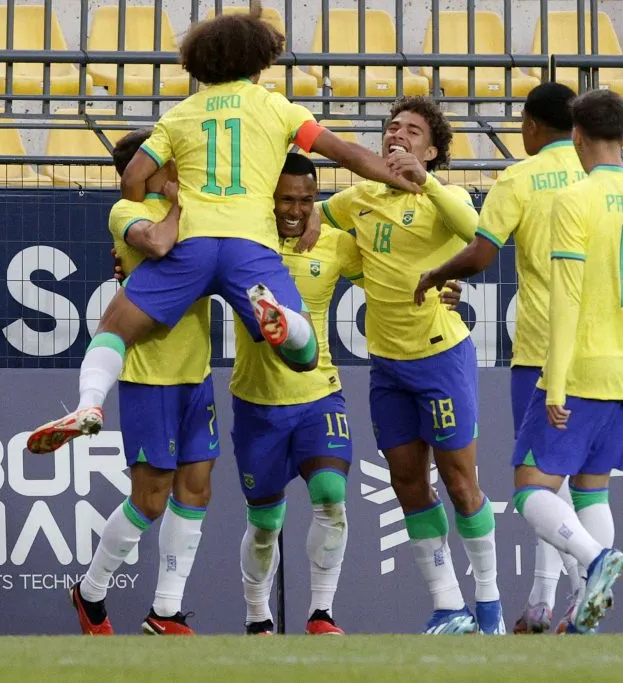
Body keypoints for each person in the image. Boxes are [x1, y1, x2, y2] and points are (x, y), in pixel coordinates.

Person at [26, 6, 420, 455]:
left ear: (201, 60)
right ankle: (281, 321)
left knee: (114, 327)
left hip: (190, 244)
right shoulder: (276, 107)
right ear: (258, 58)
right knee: (303, 353)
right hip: (248, 245)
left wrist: (146, 219)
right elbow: (344, 152)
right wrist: (398, 178)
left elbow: (132, 176)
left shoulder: (179, 115)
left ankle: (89, 404)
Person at [236, 153, 464, 636]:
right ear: (268, 200)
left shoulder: (338, 244)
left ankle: (321, 613)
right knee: (265, 523)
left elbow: (391, 281)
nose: (295, 210)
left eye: (306, 199)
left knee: (331, 497)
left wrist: (446, 283)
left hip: (320, 394)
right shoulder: (242, 245)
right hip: (256, 399)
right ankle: (258, 615)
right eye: (285, 200)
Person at [511, 89, 623, 634]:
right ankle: (583, 611)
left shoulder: (573, 200)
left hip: (585, 369)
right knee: (592, 487)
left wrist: (556, 383)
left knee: (529, 488)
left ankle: (594, 563)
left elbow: (565, 299)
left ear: (576, 138)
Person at [319, 97, 504, 635]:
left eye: (412, 130)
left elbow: (477, 231)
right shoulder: (358, 198)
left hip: (441, 357)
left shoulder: (444, 197)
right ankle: (449, 606)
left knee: (460, 481)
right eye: (392, 127)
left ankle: (489, 606)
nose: (397, 135)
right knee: (406, 482)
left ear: (432, 149)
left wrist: (425, 182)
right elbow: (308, 219)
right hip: (387, 366)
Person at [414, 83, 589, 635]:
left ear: (533, 126)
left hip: (543, 346)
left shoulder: (520, 177)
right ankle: (542, 600)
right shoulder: (603, 172)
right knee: (575, 483)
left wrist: (441, 272)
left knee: (537, 482)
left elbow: (483, 252)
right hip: (606, 346)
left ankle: (585, 579)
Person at [69, 129, 215, 636]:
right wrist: (180, 208)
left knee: (196, 490)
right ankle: (90, 594)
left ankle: (166, 611)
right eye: (166, 159)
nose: (176, 164)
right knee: (150, 500)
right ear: (143, 170)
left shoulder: (190, 205)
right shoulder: (125, 213)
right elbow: (157, 245)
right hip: (149, 376)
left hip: (196, 373)